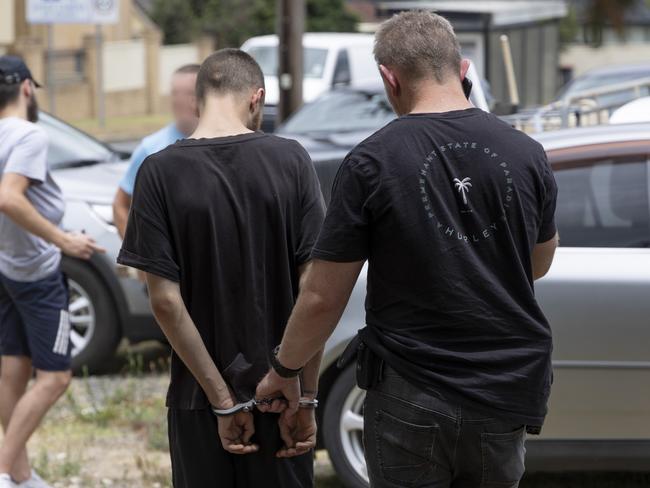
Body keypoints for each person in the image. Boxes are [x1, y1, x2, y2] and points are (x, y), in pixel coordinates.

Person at [256, 10, 559, 488]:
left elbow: (322, 295)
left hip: (409, 390)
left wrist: (283, 368)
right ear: (463, 71)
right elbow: (538, 263)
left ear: (388, 78)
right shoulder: (526, 153)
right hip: (504, 387)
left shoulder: (372, 160)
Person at [116, 48, 325, 488]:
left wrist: (222, 402)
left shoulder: (158, 172)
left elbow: (166, 304)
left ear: (196, 102)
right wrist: (303, 394)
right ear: (257, 98)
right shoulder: (292, 160)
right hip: (282, 398)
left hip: (198, 403)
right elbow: (316, 291)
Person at [0, 56, 104, 488]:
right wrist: (63, 240)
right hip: (37, 274)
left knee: (14, 369)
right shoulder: (28, 134)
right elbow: (8, 198)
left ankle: (20, 476)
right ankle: (4, 468)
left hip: (5, 268)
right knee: (56, 376)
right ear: (27, 88)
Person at [112, 64, 200, 238]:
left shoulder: (221, 143)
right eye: (175, 93)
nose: (180, 101)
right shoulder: (150, 148)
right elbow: (120, 204)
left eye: (190, 93)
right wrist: (137, 253)